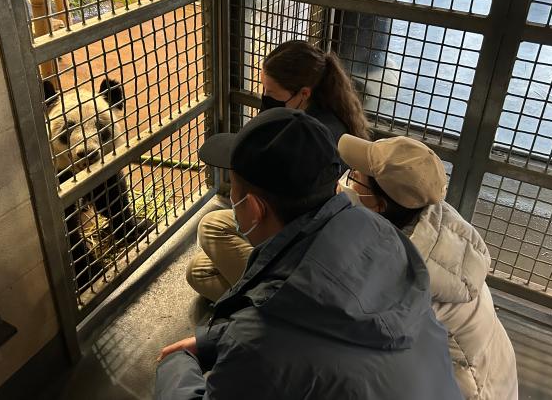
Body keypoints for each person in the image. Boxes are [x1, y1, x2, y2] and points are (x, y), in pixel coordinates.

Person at [155, 108, 463, 400]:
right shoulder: (381, 233)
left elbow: (275, 343)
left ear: (252, 208)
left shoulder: (260, 337)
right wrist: (216, 341)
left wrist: (175, 364)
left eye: (232, 191)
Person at [337, 134, 519, 400]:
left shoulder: (403, 274)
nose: (348, 178)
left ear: (379, 205)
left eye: (356, 176)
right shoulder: (433, 219)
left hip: (467, 388)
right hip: (495, 369)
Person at [186, 40, 369, 302]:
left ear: (303, 93)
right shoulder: (323, 116)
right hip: (307, 228)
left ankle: (271, 301)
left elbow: (285, 211)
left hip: (297, 237)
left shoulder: (312, 139)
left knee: (207, 245)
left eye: (271, 92)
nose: (265, 97)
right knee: (199, 266)